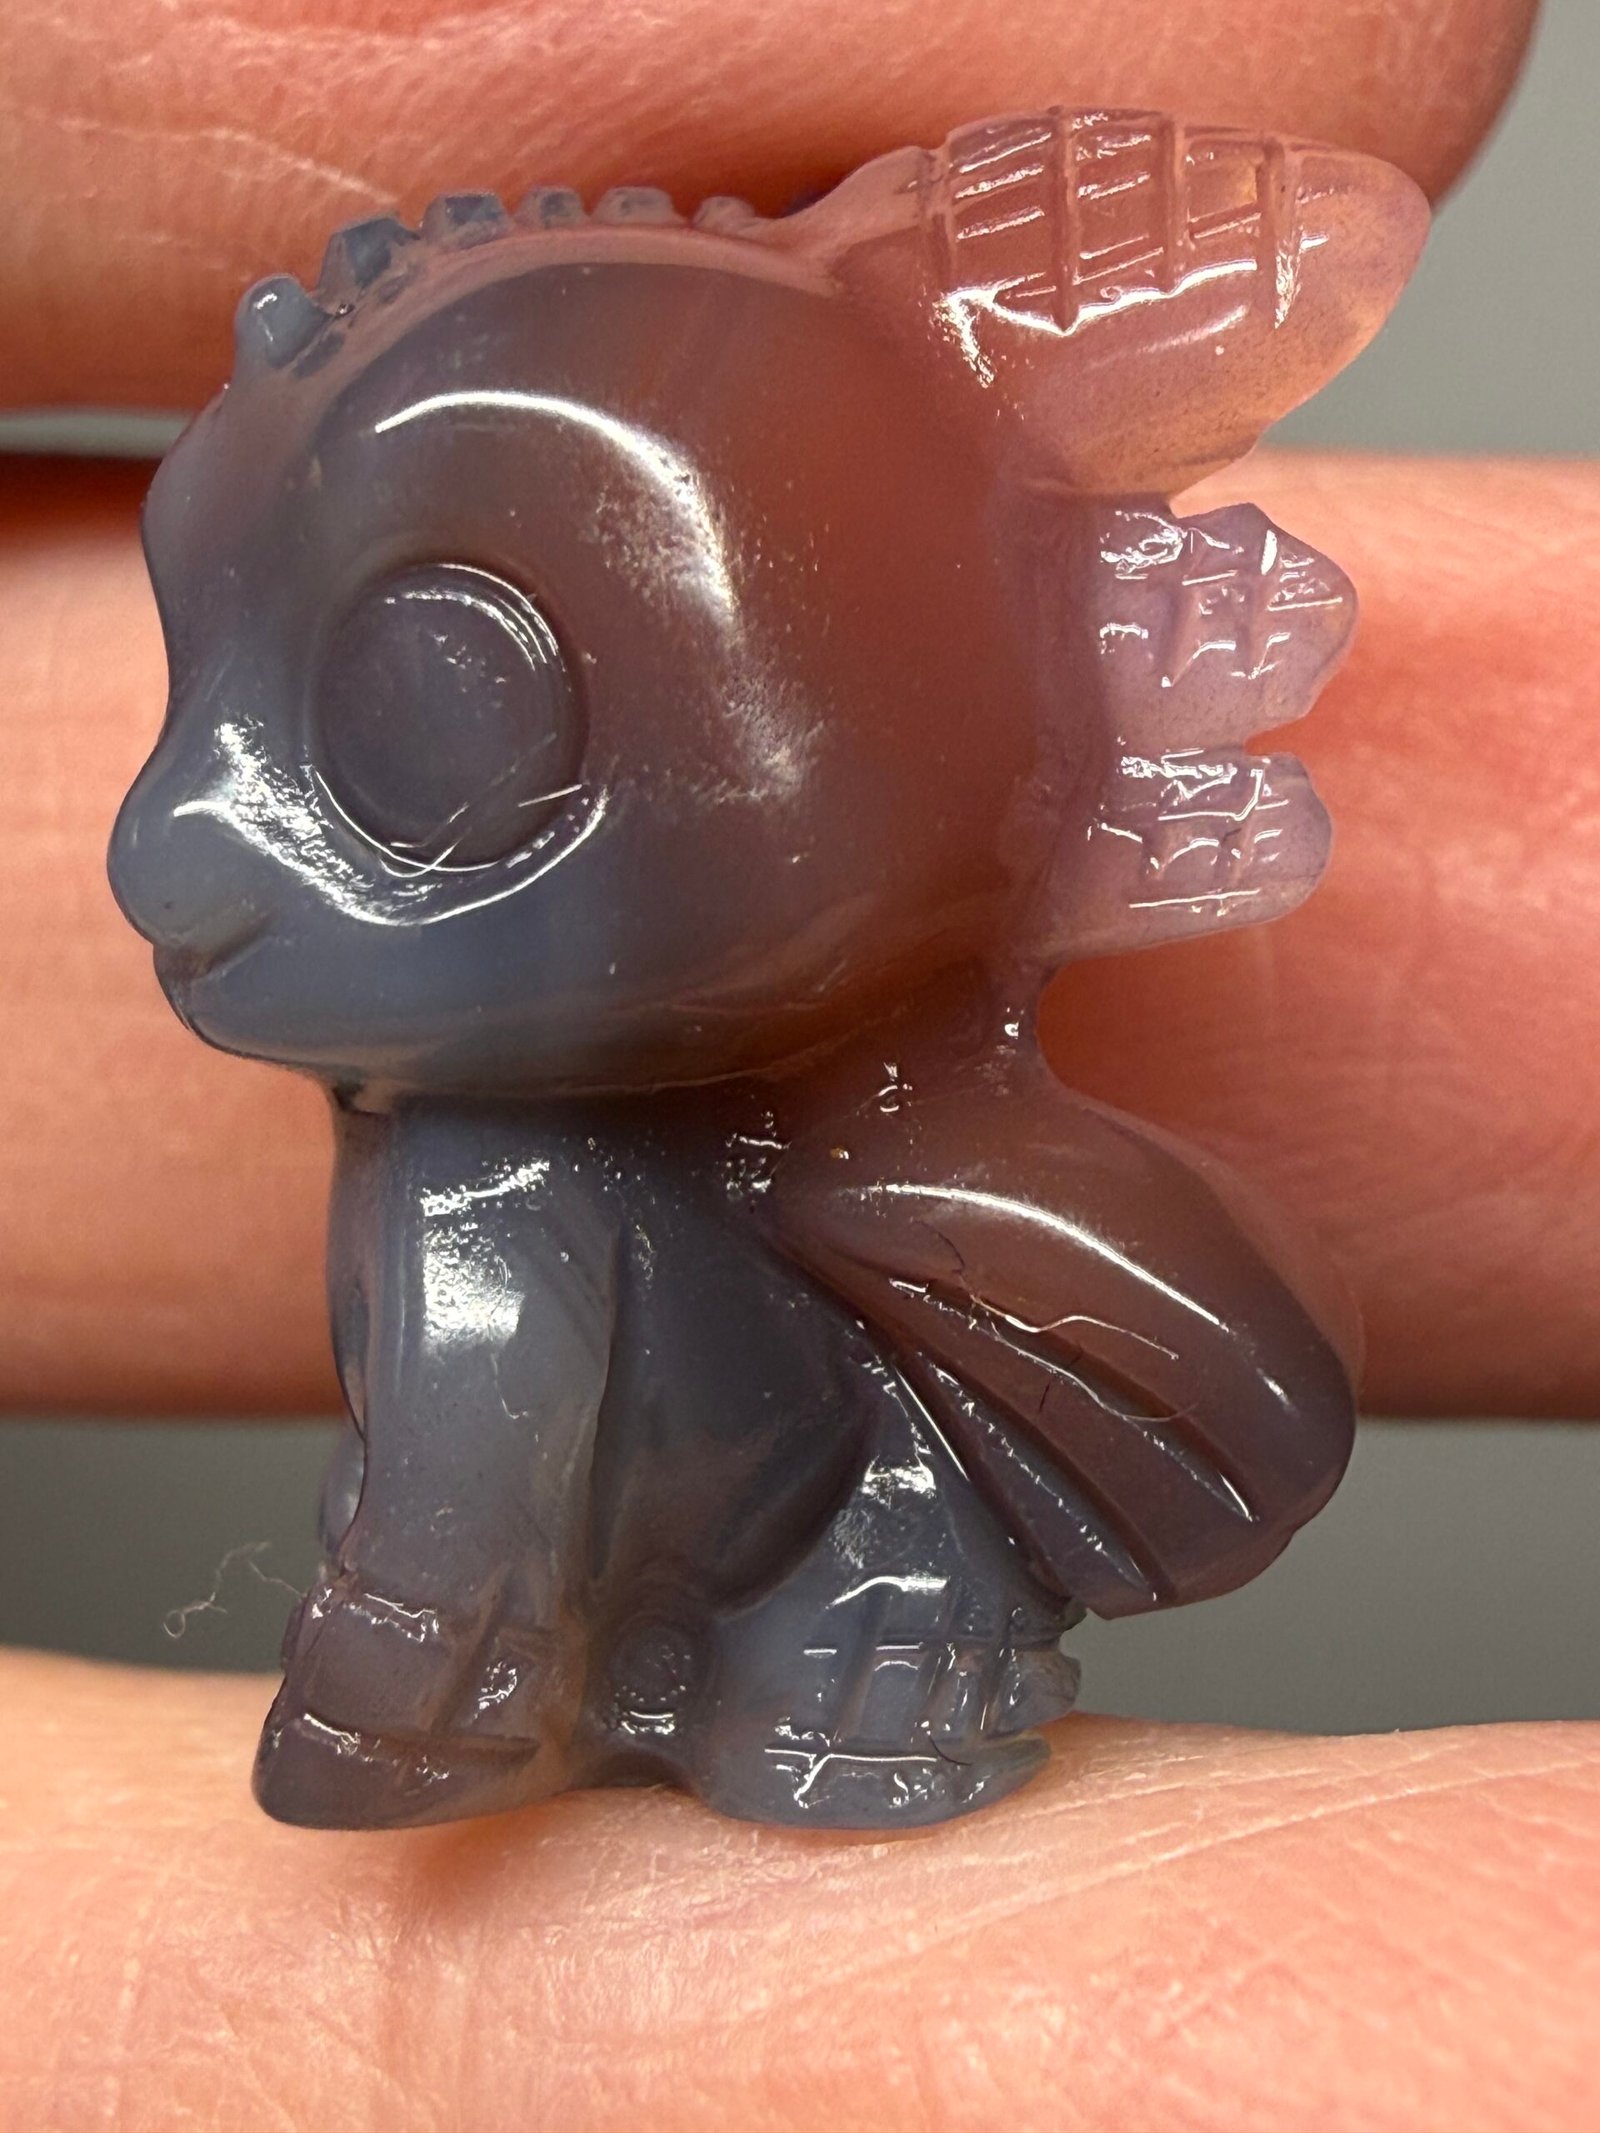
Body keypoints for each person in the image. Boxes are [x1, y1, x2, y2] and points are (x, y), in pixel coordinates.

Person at [2, 0, 1595, 2124]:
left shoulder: (650, 1140)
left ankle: (855, 1586)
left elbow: (469, 1456)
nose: (161, 846)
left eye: (434, 707)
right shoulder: (474, 1152)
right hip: (684, 1446)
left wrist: (419, 1652)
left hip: (858, 1471)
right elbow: (464, 1443)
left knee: (801, 1497)